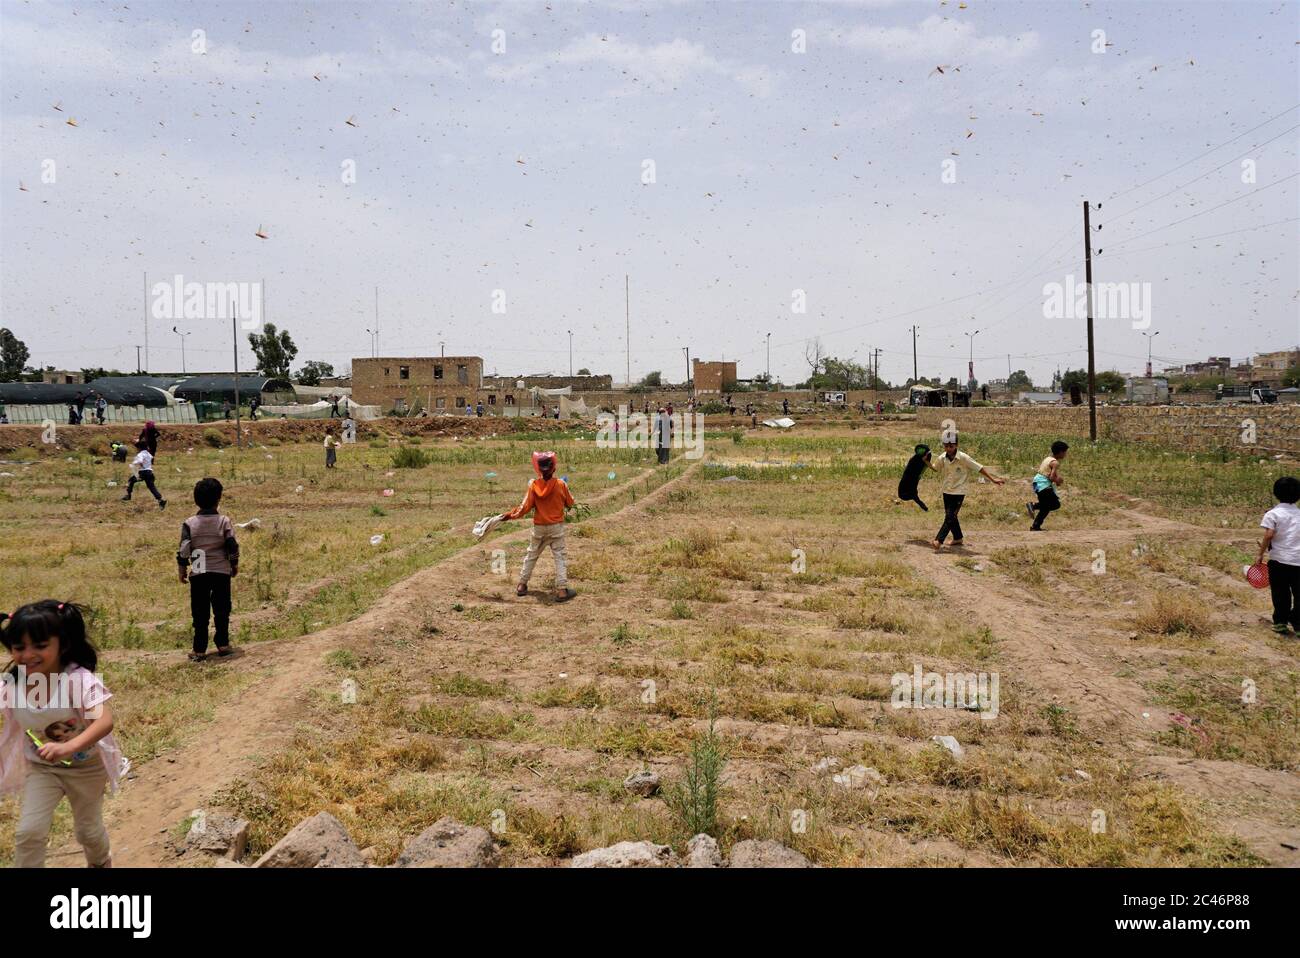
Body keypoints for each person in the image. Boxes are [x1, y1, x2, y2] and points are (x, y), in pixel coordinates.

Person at [0, 600, 127, 868]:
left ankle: (101, 862)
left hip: (87, 769)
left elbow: (104, 721)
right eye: (19, 647)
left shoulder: (77, 680)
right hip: (42, 768)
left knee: (88, 832)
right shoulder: (11, 685)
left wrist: (69, 747)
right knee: (28, 832)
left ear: (63, 644)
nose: (27, 654)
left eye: (40, 646)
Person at [498, 452, 577, 602]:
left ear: (539, 470)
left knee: (531, 555)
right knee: (559, 557)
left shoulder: (533, 486)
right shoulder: (561, 484)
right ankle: (562, 591)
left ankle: (521, 585)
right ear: (553, 468)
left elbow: (524, 507)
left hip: (539, 527)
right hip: (556, 527)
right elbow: (571, 503)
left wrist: (510, 515)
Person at [177, 478, 240, 660]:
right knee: (222, 609)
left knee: (200, 611)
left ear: (196, 499)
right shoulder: (224, 521)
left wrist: (182, 569)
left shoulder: (190, 523)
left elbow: (184, 548)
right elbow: (231, 545)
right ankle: (223, 644)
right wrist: (234, 564)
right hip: (220, 570)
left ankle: (199, 649)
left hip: (198, 568)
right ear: (219, 499)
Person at [928, 434, 1003, 549]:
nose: (948, 449)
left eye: (951, 446)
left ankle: (938, 540)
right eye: (946, 446)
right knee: (951, 516)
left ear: (956, 445)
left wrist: (993, 479)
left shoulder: (964, 458)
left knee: (950, 516)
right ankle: (958, 538)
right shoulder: (942, 457)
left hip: (959, 491)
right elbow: (935, 468)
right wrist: (925, 461)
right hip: (947, 490)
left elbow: (979, 468)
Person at [1257, 476, 1300, 636]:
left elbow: (1269, 535)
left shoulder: (1273, 514)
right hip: (1299, 561)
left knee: (1280, 592)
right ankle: (1297, 622)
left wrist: (1260, 554)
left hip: (1279, 561)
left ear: (1276, 493)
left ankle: (1281, 622)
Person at [1027, 441, 1069, 531]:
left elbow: (1048, 473)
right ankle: (1033, 506)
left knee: (1046, 506)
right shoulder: (1055, 463)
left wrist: (1056, 480)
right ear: (1061, 452)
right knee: (1055, 504)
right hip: (1043, 484)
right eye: (1065, 452)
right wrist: (1058, 480)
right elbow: (1051, 477)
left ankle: (1035, 526)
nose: (1065, 454)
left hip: (1037, 483)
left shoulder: (1048, 459)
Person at [122, 441, 166, 509]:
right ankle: (160, 500)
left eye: (137, 448)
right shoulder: (148, 454)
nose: (137, 449)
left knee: (131, 481)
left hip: (143, 473)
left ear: (139, 448)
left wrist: (135, 463)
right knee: (152, 487)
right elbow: (151, 458)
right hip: (150, 472)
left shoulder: (141, 454)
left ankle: (128, 495)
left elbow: (139, 461)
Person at [897, 444, 932, 512]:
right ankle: (924, 507)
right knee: (913, 496)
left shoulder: (917, 460)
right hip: (911, 480)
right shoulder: (915, 460)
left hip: (912, 480)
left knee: (912, 495)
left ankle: (924, 507)